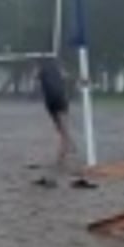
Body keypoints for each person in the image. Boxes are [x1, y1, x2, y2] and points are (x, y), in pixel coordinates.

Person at [36, 56, 96, 188]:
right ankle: (68, 152)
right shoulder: (51, 71)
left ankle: (64, 157)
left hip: (54, 102)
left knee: (63, 132)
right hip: (56, 102)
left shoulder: (47, 71)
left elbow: (66, 77)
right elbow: (67, 77)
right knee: (63, 132)